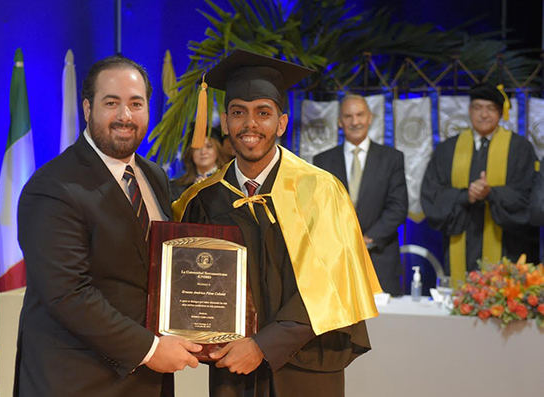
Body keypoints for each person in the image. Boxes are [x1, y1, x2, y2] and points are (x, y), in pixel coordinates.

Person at [173, 49, 381, 397]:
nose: (250, 124)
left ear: (281, 123)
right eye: (238, 112)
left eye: (263, 113)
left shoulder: (319, 190)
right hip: (233, 371)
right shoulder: (203, 200)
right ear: (225, 123)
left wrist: (262, 345)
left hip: (306, 365)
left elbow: (330, 284)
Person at [14, 55, 201, 397]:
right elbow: (69, 294)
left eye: (136, 103)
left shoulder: (154, 176)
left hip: (145, 381)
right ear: (87, 109)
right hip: (79, 380)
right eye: (111, 103)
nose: (125, 116)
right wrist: (151, 349)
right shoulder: (53, 187)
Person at [421, 82, 539, 284]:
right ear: (469, 110)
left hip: (507, 248)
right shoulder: (448, 149)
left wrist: (491, 193)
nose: (484, 115)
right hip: (461, 245)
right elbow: (432, 196)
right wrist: (466, 195)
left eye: (490, 109)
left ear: (501, 113)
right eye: (478, 108)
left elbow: (530, 199)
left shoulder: (520, 149)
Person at [313, 95, 408, 295]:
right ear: (340, 122)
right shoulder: (322, 161)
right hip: (336, 261)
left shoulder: (392, 158)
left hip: (380, 260)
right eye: (348, 116)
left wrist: (368, 239)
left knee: (387, 326)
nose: (355, 122)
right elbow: (318, 210)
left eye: (360, 115)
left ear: (370, 117)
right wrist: (342, 241)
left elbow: (398, 207)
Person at [170, 127, 228, 201]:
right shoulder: (176, 187)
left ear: (217, 150)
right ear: (191, 153)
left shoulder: (229, 182)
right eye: (197, 148)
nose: (203, 152)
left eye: (209, 146)